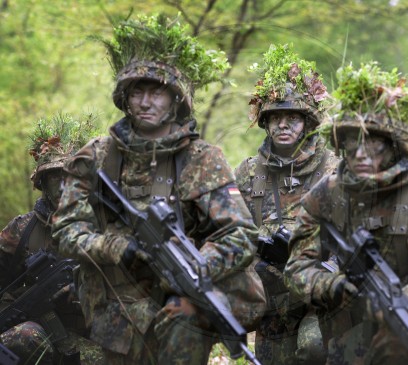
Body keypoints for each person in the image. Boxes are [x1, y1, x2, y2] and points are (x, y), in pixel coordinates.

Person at [51, 14, 265, 365]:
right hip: (115, 308)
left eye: (157, 92)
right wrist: (113, 245)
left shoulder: (201, 159)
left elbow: (240, 234)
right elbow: (65, 230)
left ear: (175, 100)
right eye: (138, 91)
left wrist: (196, 264)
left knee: (184, 324)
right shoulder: (97, 156)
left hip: (180, 306)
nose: (146, 102)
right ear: (125, 97)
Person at [283, 61, 408, 365]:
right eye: (353, 141)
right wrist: (333, 286)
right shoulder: (327, 195)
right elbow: (297, 269)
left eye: (372, 142)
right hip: (349, 320)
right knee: (312, 348)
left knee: (407, 341)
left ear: (394, 147)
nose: (361, 153)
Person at [234, 44, 339, 364]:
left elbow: (355, 240)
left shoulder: (334, 170)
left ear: (308, 122)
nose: (283, 125)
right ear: (265, 122)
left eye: (292, 117)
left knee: (313, 349)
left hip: (321, 300)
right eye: (275, 117)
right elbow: (229, 230)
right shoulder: (248, 172)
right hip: (270, 300)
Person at [0, 113, 104, 365]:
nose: (63, 185)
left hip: (96, 336)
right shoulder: (22, 229)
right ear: (43, 182)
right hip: (41, 334)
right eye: (56, 176)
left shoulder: (105, 226)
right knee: (23, 337)